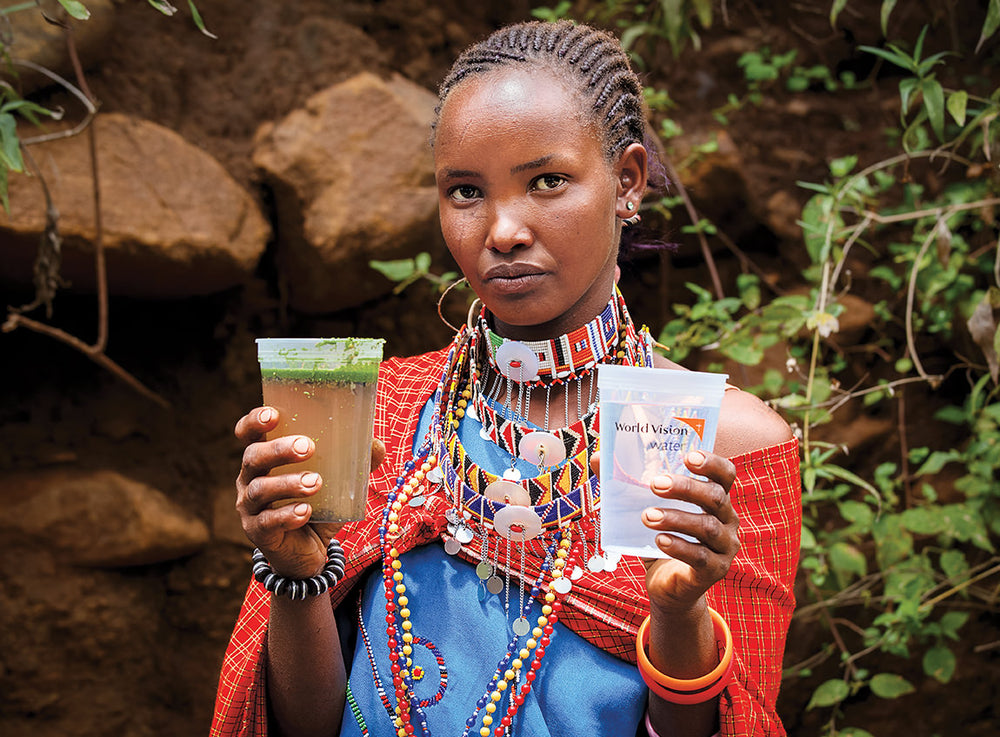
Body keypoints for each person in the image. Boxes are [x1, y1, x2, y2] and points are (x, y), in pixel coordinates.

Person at [211, 20, 800, 737]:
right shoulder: (380, 411)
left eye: (547, 181)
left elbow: (731, 725)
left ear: (627, 182)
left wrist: (680, 615)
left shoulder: (715, 439)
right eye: (465, 191)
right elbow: (305, 725)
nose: (503, 229)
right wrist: (297, 576)